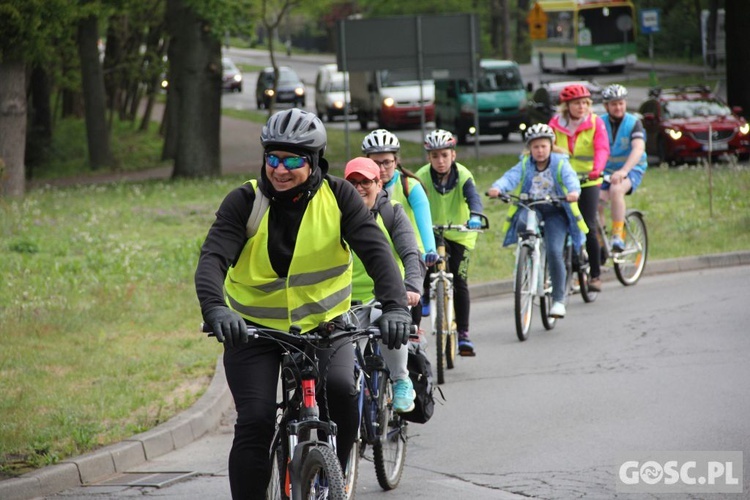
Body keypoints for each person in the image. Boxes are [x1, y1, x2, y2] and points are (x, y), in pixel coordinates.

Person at [194, 109, 412, 499]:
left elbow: (377, 252)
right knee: (256, 421)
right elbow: (212, 259)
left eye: (292, 160)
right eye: (273, 158)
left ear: (313, 162)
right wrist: (216, 309)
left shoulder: (339, 196)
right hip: (254, 331)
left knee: (344, 391)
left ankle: (333, 476)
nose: (279, 169)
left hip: (326, 324)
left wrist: (395, 305)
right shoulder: (245, 201)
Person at [344, 156, 424, 412]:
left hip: (385, 297)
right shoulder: (334, 216)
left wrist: (411, 287)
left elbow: (412, 254)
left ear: (379, 184)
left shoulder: (392, 212)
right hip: (343, 302)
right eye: (352, 182)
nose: (358, 188)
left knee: (392, 323)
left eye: (365, 182)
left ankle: (401, 379)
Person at [487, 124, 588, 318]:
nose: (540, 151)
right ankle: (527, 253)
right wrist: (498, 187)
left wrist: (574, 192)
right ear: (529, 149)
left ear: (551, 146)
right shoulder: (525, 164)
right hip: (532, 208)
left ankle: (558, 300)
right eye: (535, 147)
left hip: (555, 211)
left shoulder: (560, 163)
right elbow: (511, 177)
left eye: (543, 146)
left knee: (553, 251)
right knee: (523, 224)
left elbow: (571, 179)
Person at [415, 129, 484, 356]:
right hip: (432, 231)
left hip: (460, 233)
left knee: (460, 281)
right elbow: (410, 199)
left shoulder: (463, 175)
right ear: (429, 158)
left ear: (453, 155)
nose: (440, 161)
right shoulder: (422, 176)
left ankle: (463, 334)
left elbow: (473, 197)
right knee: (425, 260)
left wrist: (475, 216)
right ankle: (425, 292)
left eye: (445, 155)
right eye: (435, 156)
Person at [361, 129, 438, 330]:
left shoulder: (409, 186)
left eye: (387, 162)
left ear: (396, 161)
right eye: (376, 163)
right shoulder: (359, 188)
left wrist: (430, 250)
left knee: (410, 318)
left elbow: (424, 220)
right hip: (377, 257)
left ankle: (414, 346)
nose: (382, 168)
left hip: (410, 253)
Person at [548, 84, 610, 292]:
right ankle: (571, 266)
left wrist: (597, 168)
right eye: (576, 103)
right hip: (564, 181)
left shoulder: (595, 122)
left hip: (589, 179)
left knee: (587, 224)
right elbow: (546, 147)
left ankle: (595, 275)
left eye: (585, 103)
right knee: (563, 222)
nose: (581, 107)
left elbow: (601, 148)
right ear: (566, 106)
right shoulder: (555, 124)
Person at [599, 84, 648, 252]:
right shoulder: (599, 123)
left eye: (621, 103)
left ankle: (617, 235)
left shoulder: (634, 123)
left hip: (632, 168)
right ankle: (600, 239)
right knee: (595, 200)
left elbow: (638, 148)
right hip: (606, 171)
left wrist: (624, 171)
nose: (618, 107)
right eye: (614, 104)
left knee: (616, 190)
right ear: (606, 106)